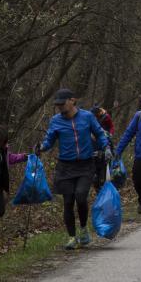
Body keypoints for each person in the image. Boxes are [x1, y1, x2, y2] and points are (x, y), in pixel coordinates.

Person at [39, 89, 110, 249]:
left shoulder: (87, 116)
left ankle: (84, 229)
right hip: (65, 166)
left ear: (72, 100)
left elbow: (99, 133)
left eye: (62, 104)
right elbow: (49, 140)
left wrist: (106, 147)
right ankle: (72, 237)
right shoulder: (56, 120)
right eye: (57, 105)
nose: (59, 107)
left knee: (81, 196)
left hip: (85, 164)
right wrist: (42, 147)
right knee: (68, 201)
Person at [0, 125, 28, 219]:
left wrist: (23, 157)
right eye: (2, 141)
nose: (4, 143)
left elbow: (10, 158)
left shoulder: (2, 150)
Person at [90, 105, 115, 190]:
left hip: (105, 140)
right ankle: (96, 183)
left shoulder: (106, 117)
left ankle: (103, 183)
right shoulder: (90, 117)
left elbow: (111, 127)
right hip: (94, 143)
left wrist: (109, 134)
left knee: (104, 165)